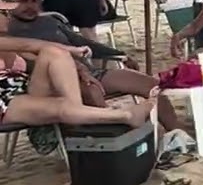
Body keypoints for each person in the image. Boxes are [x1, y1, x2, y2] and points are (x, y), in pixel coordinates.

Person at [2, 0, 180, 130]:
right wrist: (78, 69)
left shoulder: (49, 21)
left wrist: (120, 55)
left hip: (87, 72)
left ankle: (177, 133)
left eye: (33, 1)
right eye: (22, 1)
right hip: (55, 82)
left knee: (150, 84)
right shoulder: (9, 32)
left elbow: (80, 42)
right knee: (90, 91)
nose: (30, 6)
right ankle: (111, 141)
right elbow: (28, 60)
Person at [0, 36, 154, 129]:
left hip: (22, 86)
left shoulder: (7, 39)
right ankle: (125, 115)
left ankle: (76, 110)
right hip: (5, 101)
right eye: (3, 13)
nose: (8, 15)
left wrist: (72, 50)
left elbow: (29, 46)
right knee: (61, 106)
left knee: (53, 52)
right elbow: (25, 45)